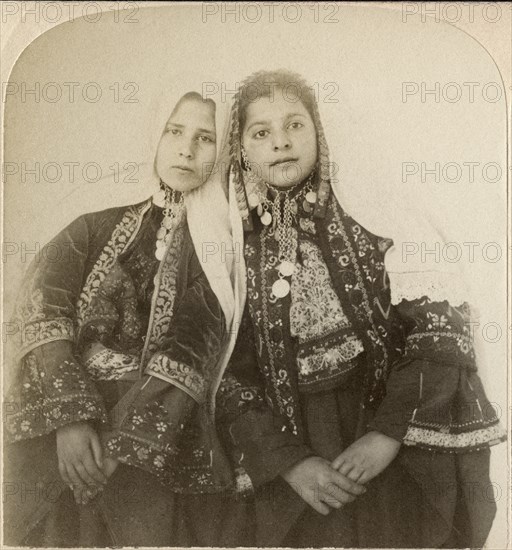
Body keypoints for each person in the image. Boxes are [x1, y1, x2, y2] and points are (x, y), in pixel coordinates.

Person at [214, 69, 506, 547]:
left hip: (386, 424)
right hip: (296, 441)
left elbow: (439, 328)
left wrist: (387, 435)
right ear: (242, 148)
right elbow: (228, 370)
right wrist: (289, 462)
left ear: (319, 131)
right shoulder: (232, 245)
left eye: (295, 125)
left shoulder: (374, 213)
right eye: (261, 132)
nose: (281, 142)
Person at [3, 87, 239, 547]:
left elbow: (191, 348)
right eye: (174, 131)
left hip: (155, 434)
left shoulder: (216, 250)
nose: (186, 149)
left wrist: (121, 443)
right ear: (154, 133)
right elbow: (41, 310)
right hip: (63, 419)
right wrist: (69, 419)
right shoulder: (91, 223)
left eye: (205, 138)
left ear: (223, 147)